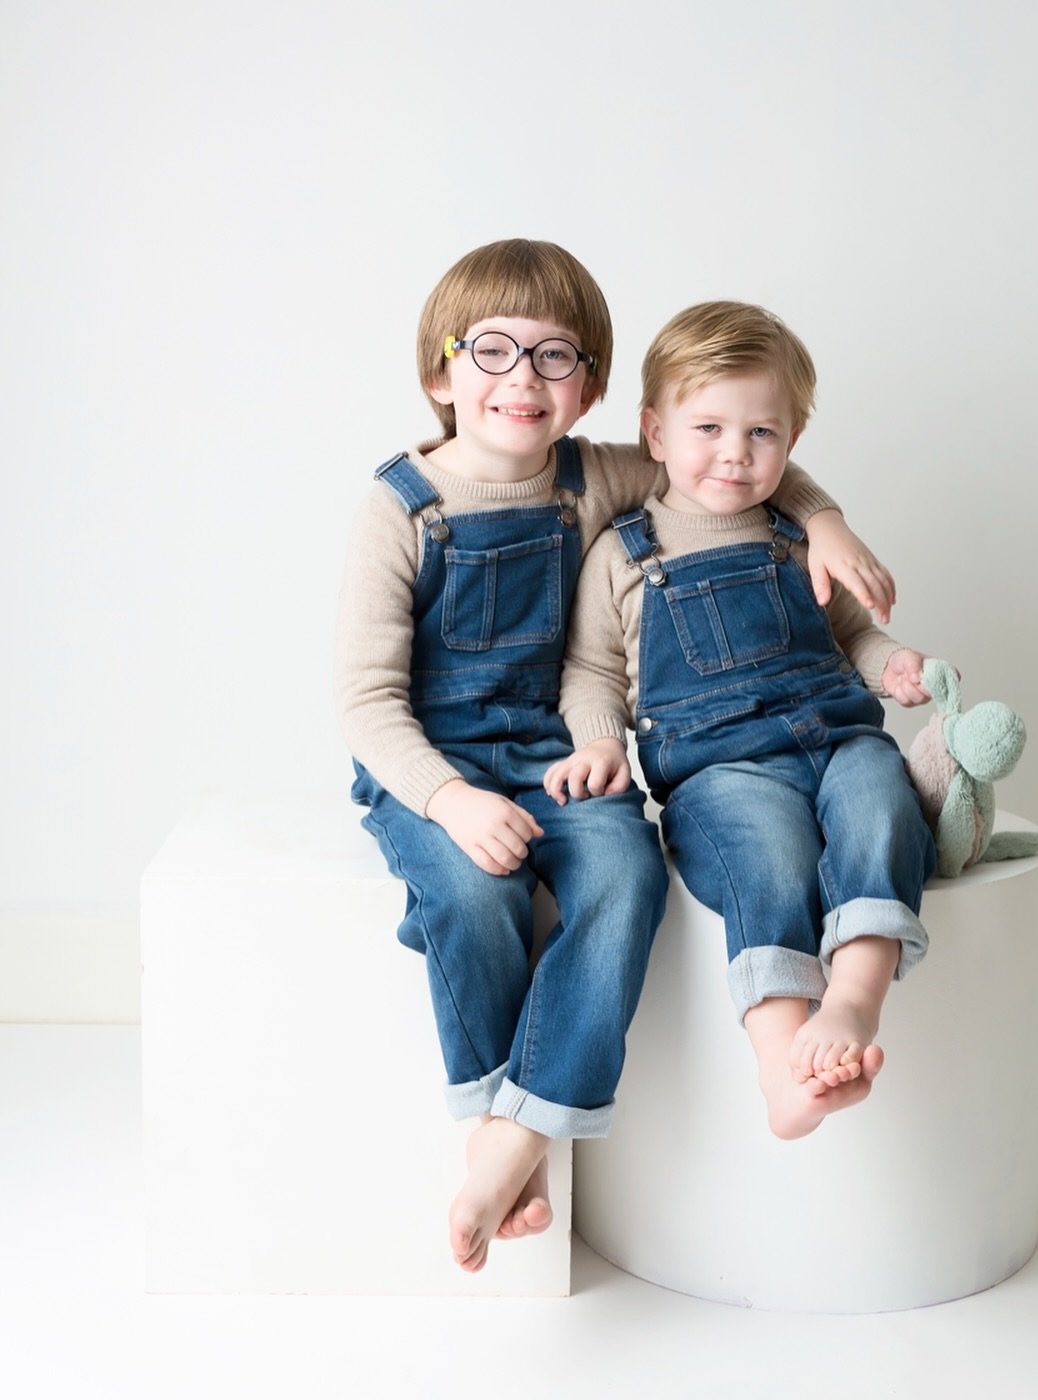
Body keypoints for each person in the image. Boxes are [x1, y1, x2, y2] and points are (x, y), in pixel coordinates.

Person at [335, 244, 894, 1272]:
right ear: (437, 373)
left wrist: (823, 518)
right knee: (471, 893)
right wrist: (451, 800)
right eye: (492, 349)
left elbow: (730, 461)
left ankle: (522, 1128)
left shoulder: (599, 475)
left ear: (591, 386)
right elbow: (366, 702)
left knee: (627, 871)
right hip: (435, 766)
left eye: (557, 357)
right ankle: (502, 1132)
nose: (523, 378)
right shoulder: (401, 510)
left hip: (559, 756)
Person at [546, 300, 937, 1141]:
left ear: (790, 443)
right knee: (765, 858)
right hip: (719, 768)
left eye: (761, 433)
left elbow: (851, 633)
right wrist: (599, 740)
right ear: (654, 432)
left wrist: (890, 662)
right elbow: (590, 670)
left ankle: (855, 1001)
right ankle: (778, 1068)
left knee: (882, 802)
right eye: (709, 428)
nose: (734, 452)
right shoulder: (624, 550)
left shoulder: (796, 534)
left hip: (835, 736)